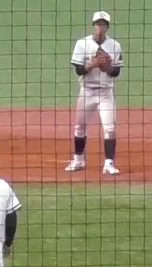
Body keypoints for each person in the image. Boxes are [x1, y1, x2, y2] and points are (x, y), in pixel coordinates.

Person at [65, 11, 124, 175]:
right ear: (94, 25)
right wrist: (93, 64)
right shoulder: (82, 44)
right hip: (87, 92)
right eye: (98, 24)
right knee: (79, 127)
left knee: (110, 128)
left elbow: (116, 72)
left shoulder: (115, 45)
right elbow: (79, 70)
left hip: (106, 93)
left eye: (103, 24)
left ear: (107, 27)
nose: (100, 27)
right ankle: (78, 160)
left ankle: (109, 164)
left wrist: (107, 67)